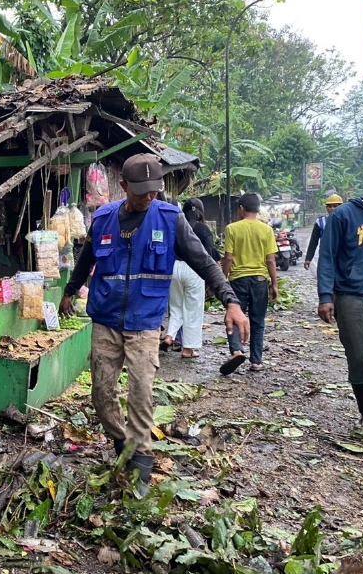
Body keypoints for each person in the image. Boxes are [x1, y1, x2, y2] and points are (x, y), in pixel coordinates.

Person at [59, 154, 249, 494]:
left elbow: (205, 263)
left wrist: (231, 301)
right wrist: (70, 291)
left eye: (154, 190)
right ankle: (122, 443)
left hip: (146, 323)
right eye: (141, 191)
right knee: (101, 395)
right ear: (123, 187)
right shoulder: (102, 218)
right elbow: (85, 260)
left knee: (141, 392)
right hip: (105, 320)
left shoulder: (170, 218)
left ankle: (140, 461)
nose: (149, 197)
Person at [317, 197, 363, 426]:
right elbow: (326, 257)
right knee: (358, 356)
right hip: (350, 296)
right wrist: (325, 296)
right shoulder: (342, 216)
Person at [220, 193, 278, 374]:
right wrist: (274, 284)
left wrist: (223, 279)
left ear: (241, 208)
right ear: (258, 209)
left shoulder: (232, 228)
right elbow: (270, 260)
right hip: (260, 280)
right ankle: (256, 361)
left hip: (237, 280)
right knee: (258, 321)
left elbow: (228, 257)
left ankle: (236, 350)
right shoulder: (266, 230)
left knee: (235, 318)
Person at [161, 199, 213, 359]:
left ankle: (169, 336)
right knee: (193, 310)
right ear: (200, 212)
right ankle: (188, 349)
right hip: (194, 270)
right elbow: (208, 254)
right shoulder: (204, 230)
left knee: (176, 308)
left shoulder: (175, 228)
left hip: (175, 268)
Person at [304, 194, 343, 270]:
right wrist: (308, 258)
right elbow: (313, 241)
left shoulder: (346, 220)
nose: (332, 208)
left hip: (342, 255)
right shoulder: (320, 221)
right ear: (326, 208)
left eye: (335, 206)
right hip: (326, 256)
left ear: (341, 207)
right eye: (329, 206)